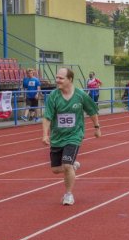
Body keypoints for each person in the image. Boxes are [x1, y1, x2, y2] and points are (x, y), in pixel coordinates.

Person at [42, 67, 101, 206]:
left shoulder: (80, 95)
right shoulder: (53, 96)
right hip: (57, 136)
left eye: (61, 78)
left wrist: (97, 127)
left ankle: (68, 194)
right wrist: (45, 134)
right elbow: (47, 117)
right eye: (57, 77)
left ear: (70, 79)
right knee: (56, 169)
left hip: (74, 135)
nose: (57, 80)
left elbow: (92, 111)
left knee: (66, 165)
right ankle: (72, 166)